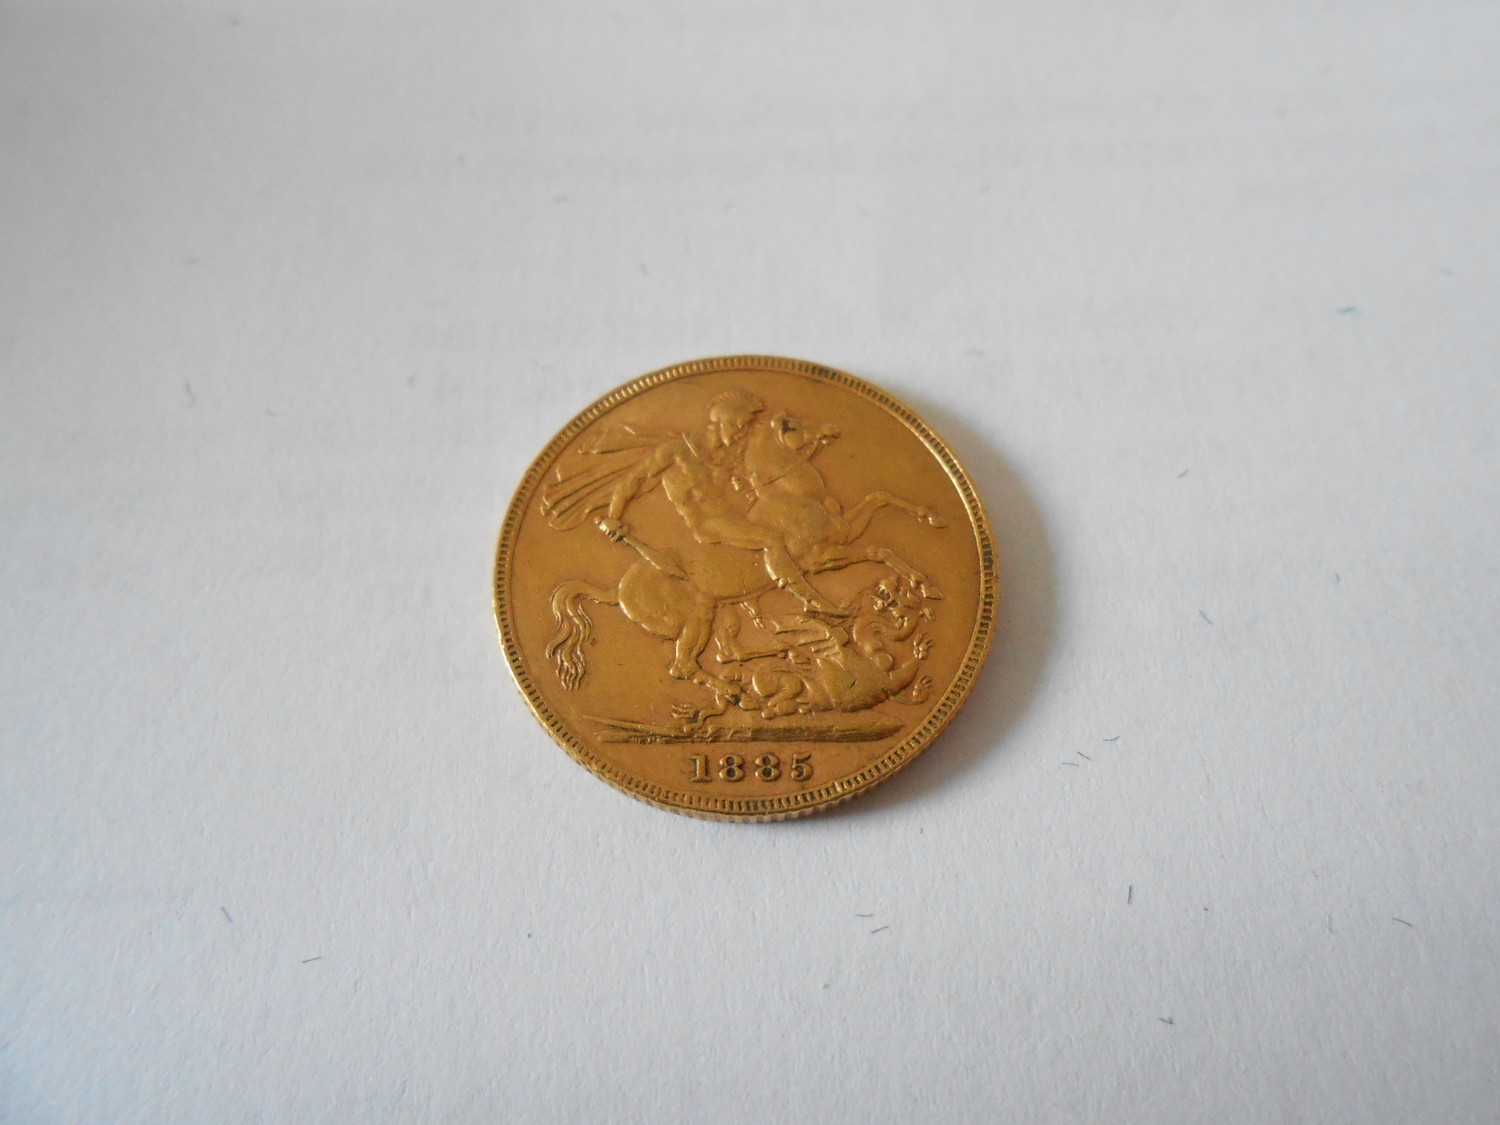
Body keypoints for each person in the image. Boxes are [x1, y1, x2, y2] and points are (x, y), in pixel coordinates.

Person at [595, 390, 845, 616]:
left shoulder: (726, 457)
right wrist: (612, 517)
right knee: (772, 540)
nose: (740, 432)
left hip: (734, 518)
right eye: (739, 425)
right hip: (708, 525)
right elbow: (634, 480)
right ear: (724, 421)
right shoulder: (676, 452)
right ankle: (811, 601)